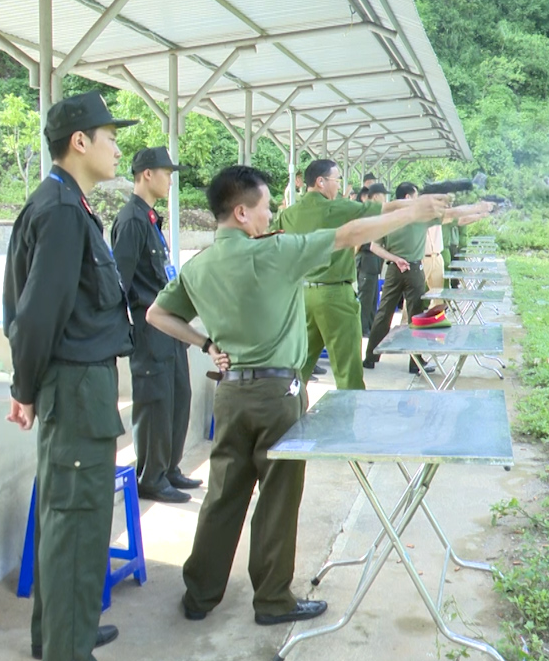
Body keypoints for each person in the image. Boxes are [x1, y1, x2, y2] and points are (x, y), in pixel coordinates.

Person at [146, 165, 449, 626]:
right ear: (243, 212)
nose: (273, 217)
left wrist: (206, 345)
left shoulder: (200, 264)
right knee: (278, 496)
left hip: (229, 394)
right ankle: (272, 601)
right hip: (277, 396)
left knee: (224, 495)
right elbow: (349, 233)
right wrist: (413, 211)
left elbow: (156, 314)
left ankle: (200, 593)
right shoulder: (277, 254)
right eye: (267, 208)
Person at [2, 91, 137, 661]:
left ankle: (60, 633)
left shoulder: (65, 203)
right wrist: (24, 389)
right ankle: (68, 659)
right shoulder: (60, 210)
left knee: (64, 516)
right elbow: (36, 312)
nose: (116, 147)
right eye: (110, 137)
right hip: (75, 388)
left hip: (78, 385)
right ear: (79, 142)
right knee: (77, 526)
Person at [273, 161, 420, 391]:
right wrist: (418, 206)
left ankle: (289, 415)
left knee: (299, 368)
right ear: (321, 182)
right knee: (348, 371)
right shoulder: (337, 208)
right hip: (334, 295)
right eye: (337, 180)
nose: (340, 186)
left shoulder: (288, 214)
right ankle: (347, 423)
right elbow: (382, 210)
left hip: (302, 295)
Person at [111, 146, 200, 504]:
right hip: (150, 328)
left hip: (169, 325)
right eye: (166, 173)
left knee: (178, 396)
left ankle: (168, 468)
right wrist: (126, 333)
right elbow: (119, 280)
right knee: (155, 402)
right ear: (147, 174)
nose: (170, 180)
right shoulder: (131, 220)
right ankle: (150, 476)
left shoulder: (150, 218)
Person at [364, 182, 494, 372]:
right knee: (417, 315)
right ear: (408, 198)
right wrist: (478, 207)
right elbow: (454, 213)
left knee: (384, 313)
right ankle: (415, 363)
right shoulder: (420, 217)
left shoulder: (387, 217)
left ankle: (370, 358)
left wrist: (396, 259)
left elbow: (374, 247)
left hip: (394, 270)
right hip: (415, 269)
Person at [356, 183, 388, 338]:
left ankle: (369, 325)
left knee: (373, 295)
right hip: (366, 257)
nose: (385, 199)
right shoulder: (365, 212)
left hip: (373, 259)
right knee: (365, 296)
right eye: (383, 195)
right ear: (375, 196)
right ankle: (361, 328)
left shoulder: (374, 213)